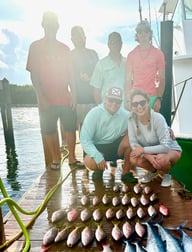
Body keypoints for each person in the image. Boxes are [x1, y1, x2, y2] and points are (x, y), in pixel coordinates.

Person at [26, 11, 84, 170]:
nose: (51, 27)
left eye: (54, 24)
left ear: (58, 26)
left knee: (71, 128)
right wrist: (40, 97)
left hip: (65, 98)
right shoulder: (35, 47)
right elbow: (34, 76)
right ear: (43, 25)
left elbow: (71, 76)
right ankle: (56, 160)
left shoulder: (65, 48)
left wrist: (74, 95)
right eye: (48, 23)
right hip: (46, 99)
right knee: (49, 129)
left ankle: (72, 158)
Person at [80, 86, 137, 183]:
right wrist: (97, 156)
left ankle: (126, 172)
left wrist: (167, 129)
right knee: (91, 162)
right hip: (96, 146)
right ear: (105, 99)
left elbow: (144, 123)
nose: (114, 103)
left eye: (118, 101)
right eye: (111, 100)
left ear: (121, 102)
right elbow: (85, 139)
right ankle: (98, 170)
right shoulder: (94, 113)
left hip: (114, 146)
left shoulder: (126, 115)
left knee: (132, 137)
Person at [128, 89, 182, 187]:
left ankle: (166, 174)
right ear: (131, 106)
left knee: (161, 159)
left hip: (170, 149)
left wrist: (143, 150)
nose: (139, 106)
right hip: (151, 151)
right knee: (133, 158)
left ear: (148, 102)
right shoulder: (131, 119)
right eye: (135, 104)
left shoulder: (158, 118)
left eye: (142, 102)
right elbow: (133, 142)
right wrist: (147, 155)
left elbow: (165, 147)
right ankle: (153, 172)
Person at [125, 20, 165, 112]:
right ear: (137, 35)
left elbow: (162, 79)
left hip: (152, 97)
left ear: (150, 34)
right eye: (140, 32)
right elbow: (128, 80)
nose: (143, 35)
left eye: (146, 32)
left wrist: (159, 99)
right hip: (135, 98)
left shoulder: (158, 54)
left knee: (152, 125)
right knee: (136, 125)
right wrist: (128, 100)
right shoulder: (131, 55)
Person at [70, 25, 99, 131]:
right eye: (76, 36)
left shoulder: (93, 54)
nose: (79, 39)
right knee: (82, 126)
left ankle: (91, 147)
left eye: (80, 35)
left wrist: (90, 78)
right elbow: (69, 77)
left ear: (85, 37)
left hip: (93, 98)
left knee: (94, 126)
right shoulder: (70, 55)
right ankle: (84, 147)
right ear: (72, 39)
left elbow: (99, 75)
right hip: (78, 100)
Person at [90, 32, 126, 105]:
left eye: (118, 42)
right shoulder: (101, 64)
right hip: (108, 109)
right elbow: (96, 90)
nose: (116, 45)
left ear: (121, 44)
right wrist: (101, 110)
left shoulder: (128, 63)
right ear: (108, 45)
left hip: (125, 110)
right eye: (113, 42)